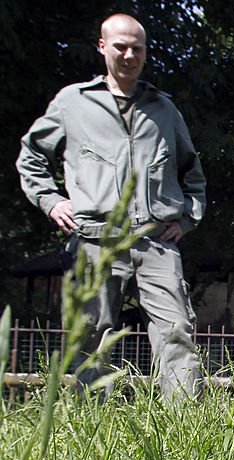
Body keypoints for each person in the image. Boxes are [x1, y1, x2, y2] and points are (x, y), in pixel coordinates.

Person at [17, 13, 206, 400]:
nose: (129, 54)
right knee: (90, 332)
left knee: (176, 331)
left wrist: (187, 218)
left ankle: (188, 427)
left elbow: (193, 173)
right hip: (94, 239)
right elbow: (31, 155)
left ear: (145, 52)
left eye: (137, 47)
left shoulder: (164, 109)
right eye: (120, 46)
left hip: (156, 240)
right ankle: (91, 423)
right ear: (102, 47)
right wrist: (51, 201)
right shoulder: (73, 103)